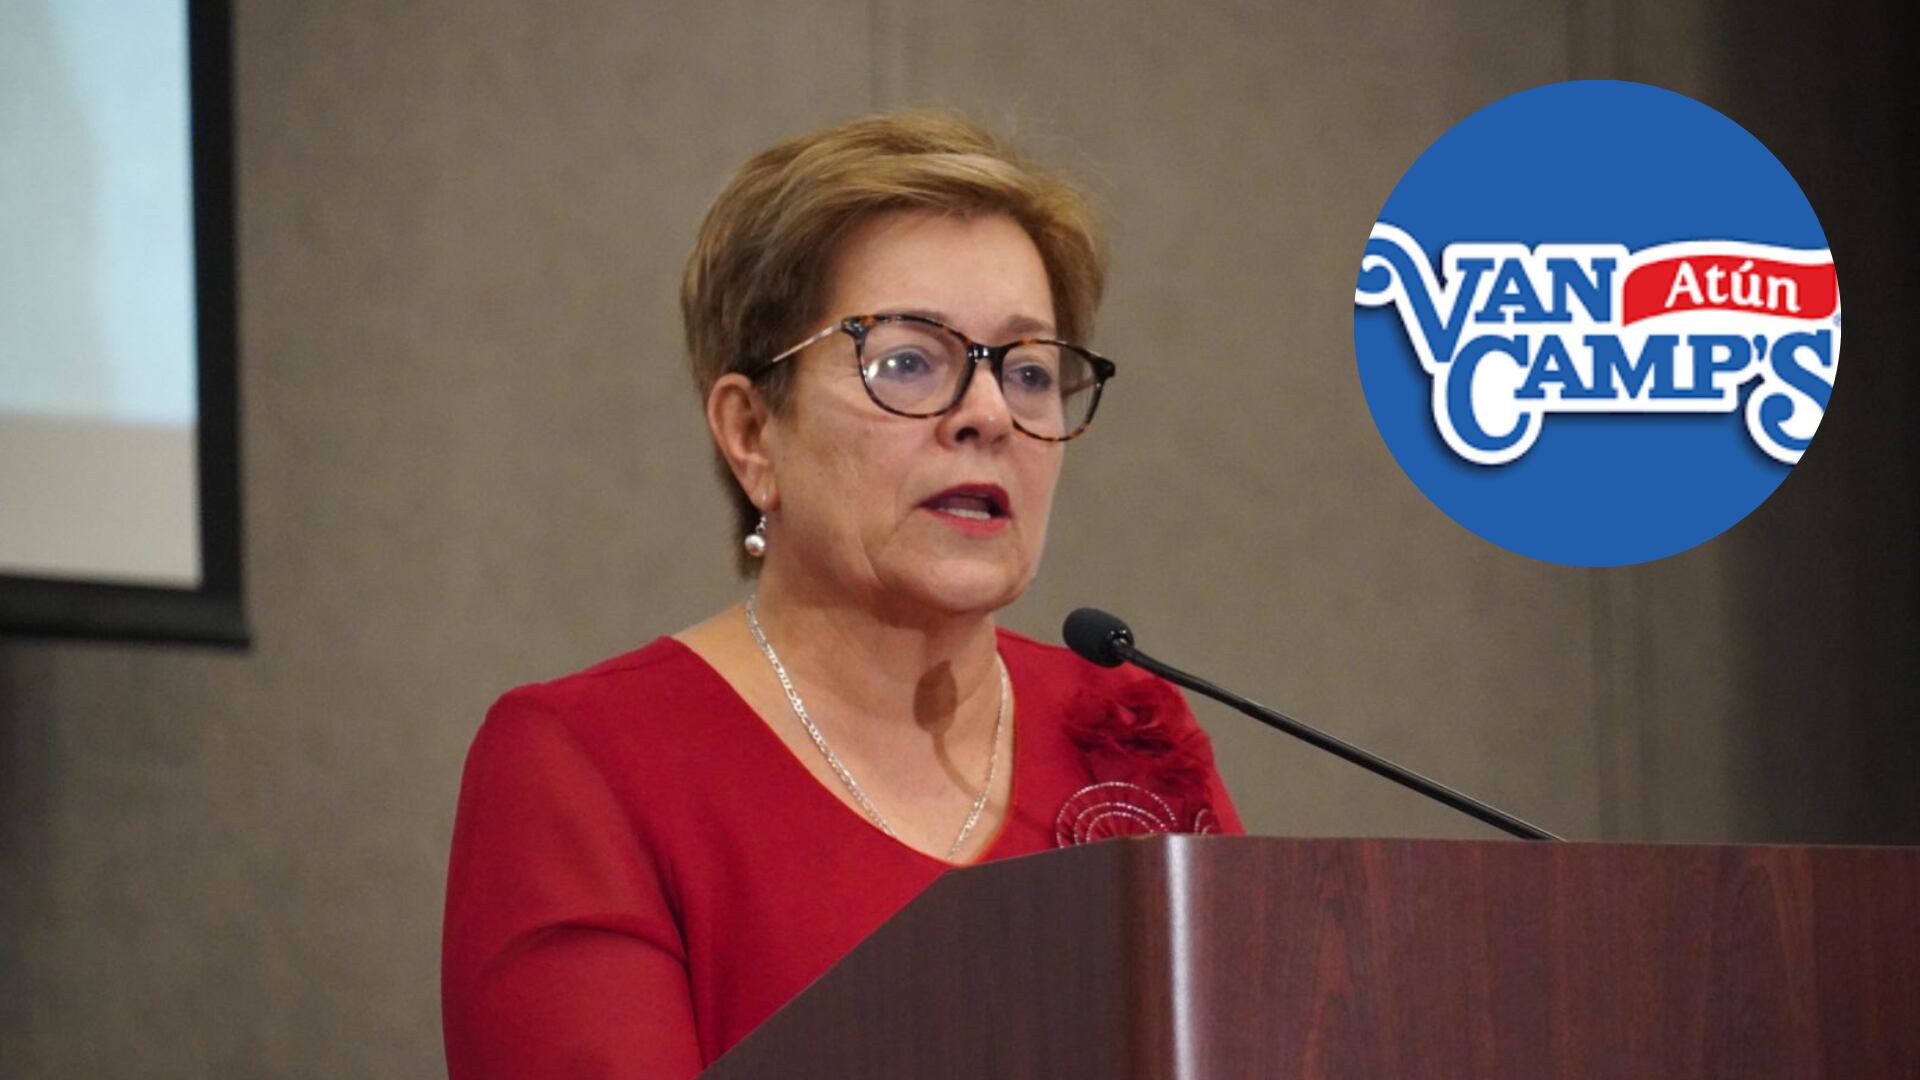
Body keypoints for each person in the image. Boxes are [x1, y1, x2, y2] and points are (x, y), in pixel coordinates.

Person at [440, 110, 1244, 1079]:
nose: (990, 413)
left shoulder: (1128, 728)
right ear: (752, 434)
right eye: (908, 361)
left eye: (1029, 370)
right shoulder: (587, 764)